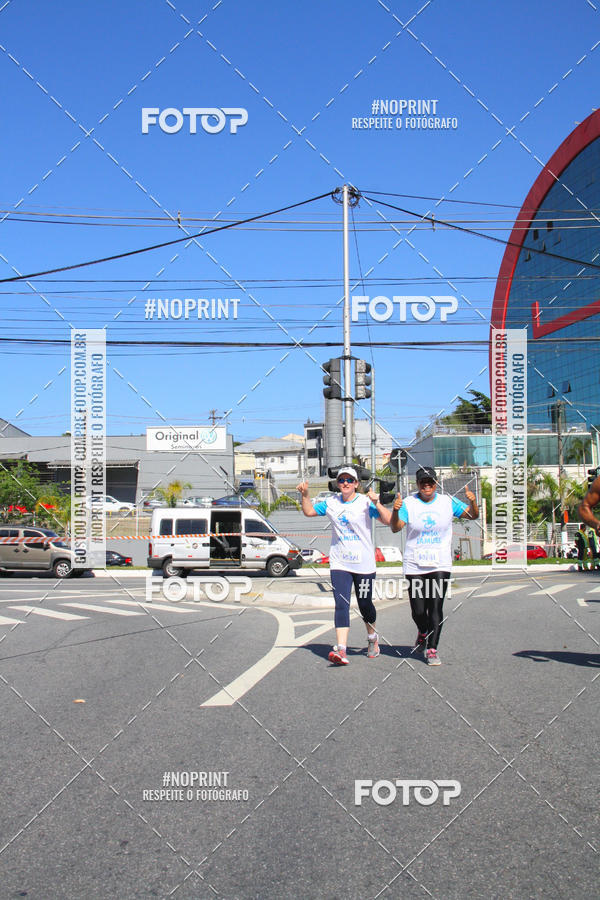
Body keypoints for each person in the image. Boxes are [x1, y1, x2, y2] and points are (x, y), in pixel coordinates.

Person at [297, 466, 392, 665]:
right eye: (342, 480)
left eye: (350, 480)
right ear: (338, 484)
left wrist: (378, 503)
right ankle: (342, 649)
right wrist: (305, 495)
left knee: (365, 604)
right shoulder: (331, 502)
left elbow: (389, 520)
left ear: (356, 484)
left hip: (364, 565)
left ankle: (372, 639)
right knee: (342, 604)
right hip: (340, 563)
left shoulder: (366, 502)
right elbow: (309, 511)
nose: (345, 483)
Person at [390, 467, 479, 666]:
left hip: (439, 562)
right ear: (417, 484)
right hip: (415, 563)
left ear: (436, 483)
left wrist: (473, 502)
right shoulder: (408, 503)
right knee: (418, 611)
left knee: (435, 607)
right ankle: (423, 631)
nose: (427, 485)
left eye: (430, 481)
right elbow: (396, 528)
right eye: (423, 482)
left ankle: (432, 649)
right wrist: (395, 511)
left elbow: (472, 516)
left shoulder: (447, 502)